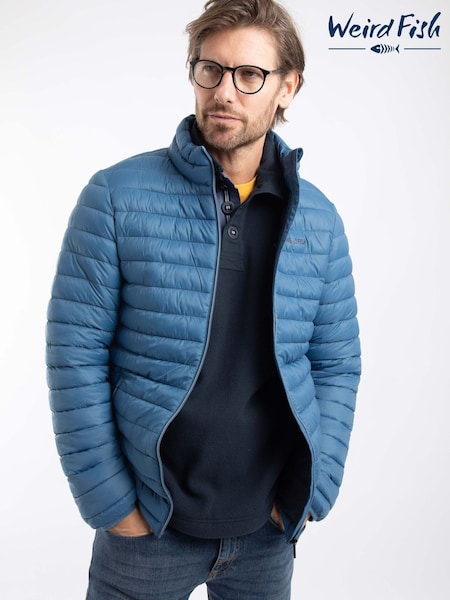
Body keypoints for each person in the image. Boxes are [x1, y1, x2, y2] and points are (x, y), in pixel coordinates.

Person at [46, 0, 361, 598]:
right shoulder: (114, 197)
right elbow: (74, 357)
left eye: (250, 75)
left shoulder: (319, 221)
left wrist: (313, 490)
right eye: (210, 69)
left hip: (267, 533)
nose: (224, 92)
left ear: (288, 87)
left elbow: (336, 363)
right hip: (147, 531)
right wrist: (113, 506)